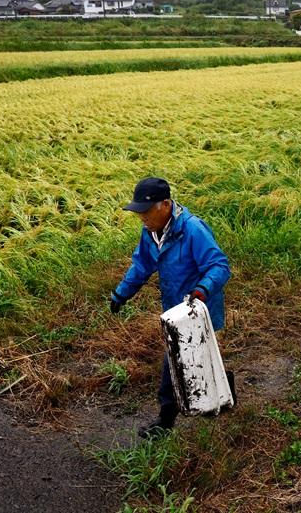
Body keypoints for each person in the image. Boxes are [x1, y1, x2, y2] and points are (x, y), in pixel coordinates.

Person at [109, 177, 233, 438]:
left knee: (175, 360)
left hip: (198, 308)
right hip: (175, 310)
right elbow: (142, 265)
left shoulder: (192, 229)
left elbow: (219, 266)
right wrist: (121, 293)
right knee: (203, 355)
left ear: (165, 205)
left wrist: (201, 291)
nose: (142, 217)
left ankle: (165, 420)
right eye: (139, 212)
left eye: (146, 210)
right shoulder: (151, 232)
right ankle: (225, 395)